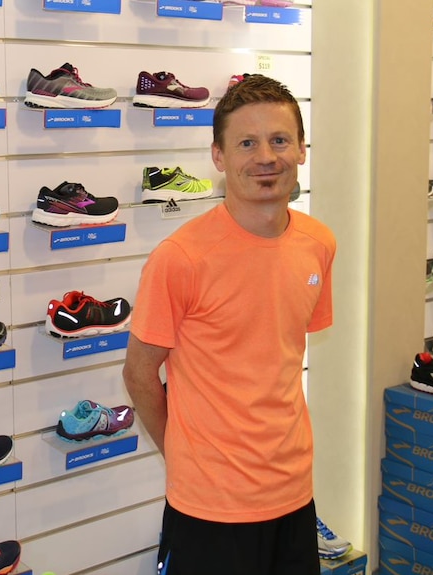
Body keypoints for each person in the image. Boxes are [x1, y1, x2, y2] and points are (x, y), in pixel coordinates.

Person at [122, 74, 336, 575]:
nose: (266, 156)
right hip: (208, 510)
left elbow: (276, 359)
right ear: (218, 157)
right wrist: (190, 456)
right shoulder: (180, 258)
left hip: (293, 495)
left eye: (279, 140)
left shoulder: (319, 243)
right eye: (247, 143)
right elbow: (138, 374)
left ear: (302, 150)